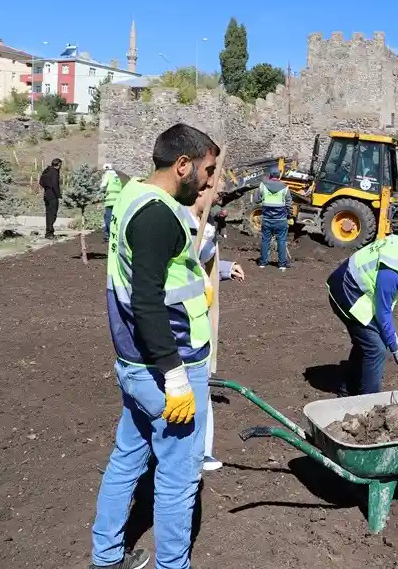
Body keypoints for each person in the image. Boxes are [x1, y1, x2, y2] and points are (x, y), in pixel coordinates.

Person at [89, 123, 220, 569]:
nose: (208, 182)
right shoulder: (159, 215)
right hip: (168, 369)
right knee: (178, 481)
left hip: (134, 362)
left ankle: (106, 558)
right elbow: (147, 300)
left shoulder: (131, 195)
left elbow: (153, 283)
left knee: (127, 459)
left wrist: (193, 286)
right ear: (182, 165)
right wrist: (177, 376)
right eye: (207, 170)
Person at [327, 230, 398, 395]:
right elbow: (382, 311)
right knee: (376, 348)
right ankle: (371, 403)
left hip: (353, 285)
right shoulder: (391, 271)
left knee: (366, 343)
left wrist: (394, 344)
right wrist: (396, 350)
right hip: (347, 292)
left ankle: (347, 390)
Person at [181, 180, 244, 473]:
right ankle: (186, 453)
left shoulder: (202, 224)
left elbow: (201, 261)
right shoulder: (181, 220)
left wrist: (223, 268)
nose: (220, 195)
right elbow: (184, 265)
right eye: (215, 187)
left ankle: (201, 451)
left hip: (197, 324)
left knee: (200, 388)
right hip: (181, 325)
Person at [257, 166, 293, 270]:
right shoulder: (285, 188)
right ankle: (282, 265)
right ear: (279, 175)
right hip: (281, 220)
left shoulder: (262, 186)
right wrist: (290, 216)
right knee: (281, 241)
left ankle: (263, 263)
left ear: (270, 175)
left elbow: (256, 200)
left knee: (265, 240)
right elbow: (289, 204)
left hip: (267, 219)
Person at [39, 158, 62, 238]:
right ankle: (49, 233)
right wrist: (58, 194)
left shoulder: (46, 170)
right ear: (58, 164)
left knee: (48, 214)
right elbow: (55, 184)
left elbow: (41, 182)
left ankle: (48, 232)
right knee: (53, 214)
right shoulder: (54, 172)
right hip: (53, 196)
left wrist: (47, 187)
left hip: (46, 195)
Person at [100, 163, 123, 240]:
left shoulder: (107, 175)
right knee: (115, 217)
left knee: (108, 217)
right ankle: (110, 233)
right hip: (117, 201)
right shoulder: (117, 177)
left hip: (109, 201)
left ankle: (110, 235)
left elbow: (103, 186)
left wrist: (99, 193)